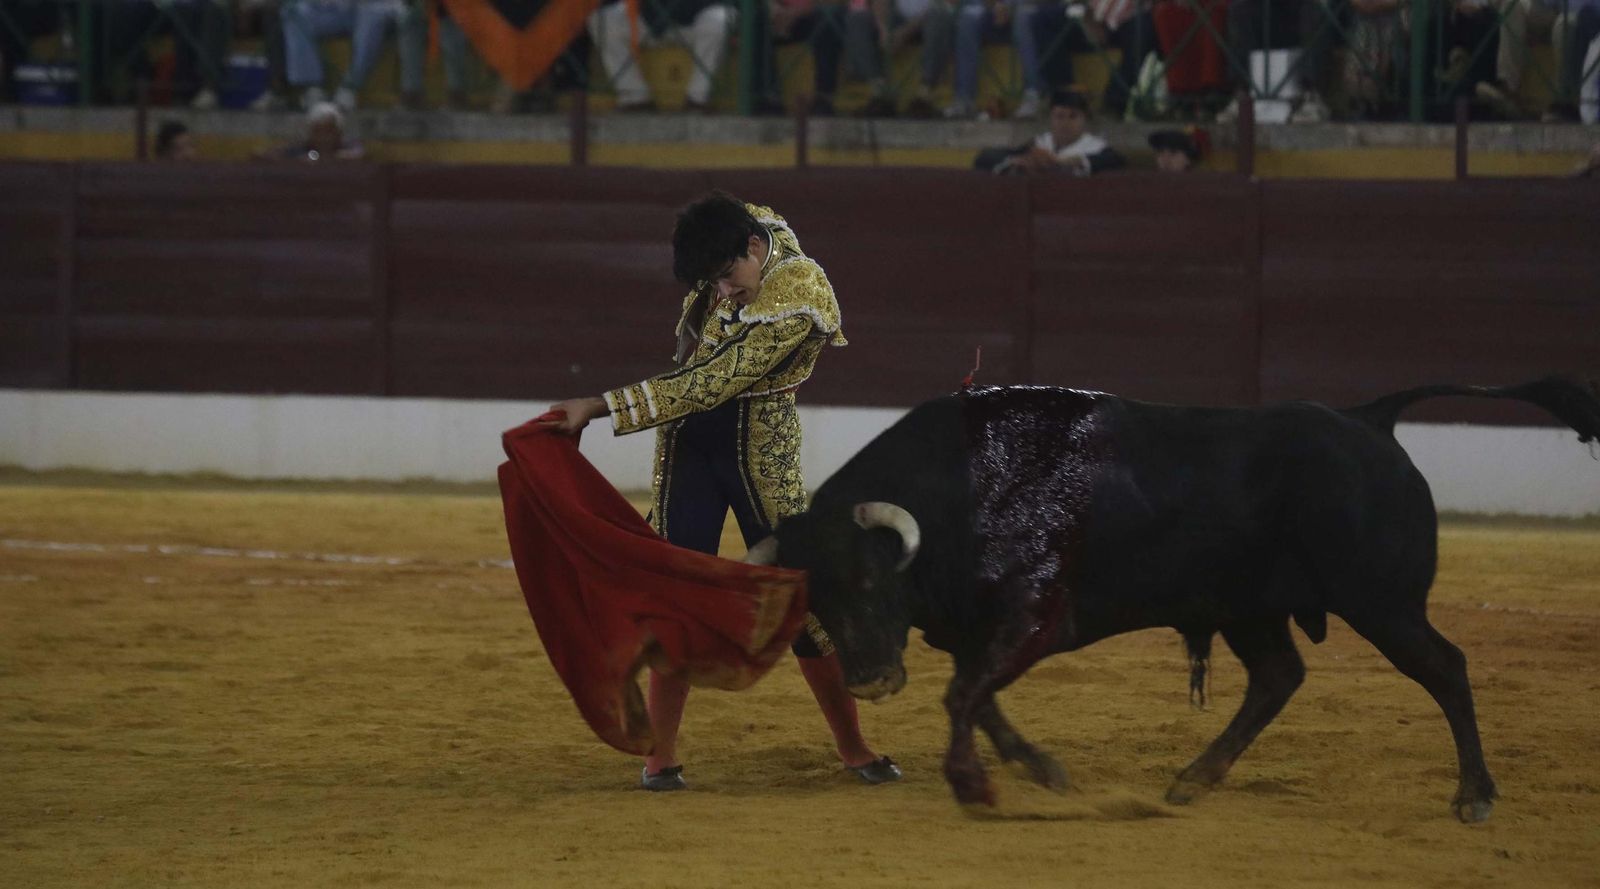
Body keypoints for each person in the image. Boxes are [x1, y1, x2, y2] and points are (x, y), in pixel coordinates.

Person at [541, 192, 902, 792]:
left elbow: (710, 381)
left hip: (759, 442)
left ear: (755, 249)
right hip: (689, 443)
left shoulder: (801, 295)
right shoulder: (746, 233)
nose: (725, 292)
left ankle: (852, 746)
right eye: (712, 282)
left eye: (730, 276)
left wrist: (602, 406)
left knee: (803, 593)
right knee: (675, 591)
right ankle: (659, 757)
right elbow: (721, 220)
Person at [587, 0, 735, 112]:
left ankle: (698, 98)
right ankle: (634, 97)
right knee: (603, 20)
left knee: (719, 20)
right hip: (648, 21)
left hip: (693, 21)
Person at [974, 88, 1126, 174]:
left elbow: (1116, 162)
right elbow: (985, 158)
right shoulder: (1040, 144)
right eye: (1059, 116)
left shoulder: (1096, 147)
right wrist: (1016, 161)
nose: (1065, 123)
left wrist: (1070, 161)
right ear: (1050, 119)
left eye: (1073, 116)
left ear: (1084, 119)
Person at [253, 100, 366, 160]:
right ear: (310, 133)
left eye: (328, 132)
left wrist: (321, 158)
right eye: (318, 132)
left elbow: (359, 154)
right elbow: (260, 154)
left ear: (338, 132)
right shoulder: (301, 147)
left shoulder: (349, 145)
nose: (323, 138)